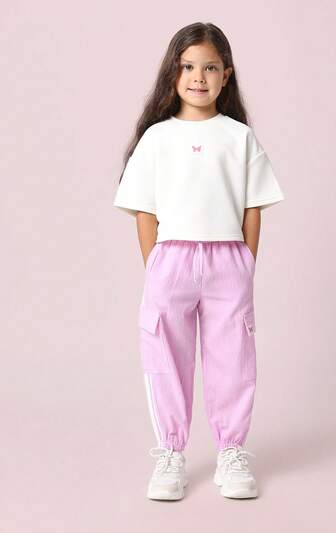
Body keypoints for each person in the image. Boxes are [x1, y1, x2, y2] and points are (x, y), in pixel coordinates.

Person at [113, 21, 285, 500]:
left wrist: (246, 263)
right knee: (165, 354)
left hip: (228, 258)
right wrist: (156, 265)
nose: (198, 77)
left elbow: (253, 206)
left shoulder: (239, 137)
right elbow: (144, 210)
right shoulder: (156, 138)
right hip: (171, 260)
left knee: (233, 356)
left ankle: (231, 450)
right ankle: (170, 453)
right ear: (173, 72)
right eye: (188, 66)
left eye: (210, 68)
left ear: (226, 75)